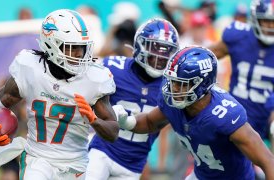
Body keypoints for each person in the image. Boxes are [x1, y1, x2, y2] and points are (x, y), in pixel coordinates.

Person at [0, 9, 119, 180]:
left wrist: (95, 121)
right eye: (72, 48)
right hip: (38, 158)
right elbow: (0, 100)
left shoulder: (94, 79)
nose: (79, 54)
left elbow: (113, 132)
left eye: (82, 47)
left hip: (76, 165)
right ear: (52, 44)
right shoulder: (30, 69)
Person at [115, 46, 274, 179]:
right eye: (172, 81)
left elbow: (267, 160)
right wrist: (127, 121)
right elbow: (150, 122)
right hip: (201, 175)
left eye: (181, 84)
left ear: (202, 84)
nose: (173, 88)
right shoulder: (174, 102)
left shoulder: (224, 116)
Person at [86, 18, 179, 179]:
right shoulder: (114, 68)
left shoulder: (172, 86)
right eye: (154, 51)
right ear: (140, 46)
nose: (159, 58)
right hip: (103, 150)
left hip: (134, 163)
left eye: (165, 54)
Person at [209, 0, 274, 146]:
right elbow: (206, 56)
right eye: (266, 21)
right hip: (238, 114)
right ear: (255, 19)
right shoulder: (239, 37)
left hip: (268, 114)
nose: (270, 26)